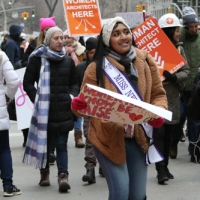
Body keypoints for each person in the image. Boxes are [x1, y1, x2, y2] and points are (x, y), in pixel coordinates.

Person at [71, 17, 167, 200]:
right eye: (116, 34)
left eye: (126, 32)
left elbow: (158, 94)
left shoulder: (145, 61)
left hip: (138, 137)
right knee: (121, 192)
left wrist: (157, 111)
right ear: (107, 40)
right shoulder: (96, 67)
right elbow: (83, 106)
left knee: (138, 195)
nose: (123, 37)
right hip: (107, 138)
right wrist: (79, 106)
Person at [22, 27, 79, 192]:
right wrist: (37, 99)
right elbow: (27, 82)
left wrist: (71, 96)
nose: (60, 41)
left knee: (61, 145)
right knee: (46, 144)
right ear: (48, 40)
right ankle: (44, 173)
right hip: (44, 111)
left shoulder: (68, 61)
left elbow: (74, 83)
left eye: (62, 38)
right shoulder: (37, 59)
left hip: (63, 110)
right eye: (56, 38)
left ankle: (63, 176)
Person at [153, 13, 190, 184]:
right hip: (155, 98)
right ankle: (160, 169)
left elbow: (186, 72)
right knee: (158, 134)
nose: (178, 33)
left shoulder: (179, 50)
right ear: (167, 31)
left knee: (168, 134)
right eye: (176, 30)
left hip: (173, 99)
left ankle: (165, 166)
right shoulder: (150, 52)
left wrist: (175, 78)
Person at [174, 6, 200, 163]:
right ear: (185, 26)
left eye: (196, 26)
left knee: (195, 120)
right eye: (191, 27)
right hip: (181, 87)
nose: (195, 29)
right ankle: (172, 142)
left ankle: (194, 150)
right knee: (179, 117)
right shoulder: (178, 38)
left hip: (196, 88)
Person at [76, 37, 100, 183]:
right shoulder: (81, 68)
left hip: (106, 109)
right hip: (89, 108)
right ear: (87, 53)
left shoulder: (107, 66)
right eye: (91, 53)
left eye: (97, 52)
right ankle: (90, 169)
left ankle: (104, 166)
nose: (94, 55)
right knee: (90, 138)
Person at [0, 51, 21, 197]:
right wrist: (7, 95)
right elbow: (13, 81)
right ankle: (8, 186)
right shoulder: (1, 55)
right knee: (3, 149)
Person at [36, 16, 57, 163]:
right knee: (45, 128)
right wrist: (34, 96)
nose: (49, 32)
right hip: (42, 96)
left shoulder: (62, 52)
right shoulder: (36, 51)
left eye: (52, 29)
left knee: (57, 129)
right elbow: (28, 73)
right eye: (46, 30)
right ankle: (48, 152)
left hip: (58, 96)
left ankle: (52, 150)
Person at [64, 30, 86, 148]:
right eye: (65, 37)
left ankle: (78, 136)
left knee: (78, 108)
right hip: (65, 82)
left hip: (78, 82)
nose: (66, 39)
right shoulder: (61, 51)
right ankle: (63, 135)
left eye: (69, 37)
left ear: (74, 38)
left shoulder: (81, 50)